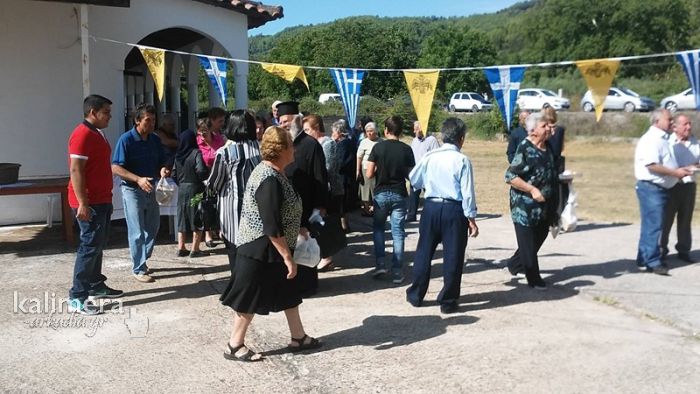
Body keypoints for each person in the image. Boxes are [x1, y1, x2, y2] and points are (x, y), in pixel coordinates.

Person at [220, 126, 322, 362]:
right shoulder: (269, 179)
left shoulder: (276, 173)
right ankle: (234, 345)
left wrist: (300, 227)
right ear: (283, 149)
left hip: (268, 246)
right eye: (290, 144)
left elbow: (284, 212)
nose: (294, 149)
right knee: (249, 297)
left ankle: (298, 337)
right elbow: (271, 225)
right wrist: (287, 257)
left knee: (288, 291)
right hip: (260, 248)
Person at [406, 118, 479, 314]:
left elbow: (414, 179)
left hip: (430, 207)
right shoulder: (462, 160)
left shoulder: (430, 156)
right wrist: (471, 218)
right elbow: (467, 192)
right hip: (453, 209)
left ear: (443, 136)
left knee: (424, 252)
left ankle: (416, 294)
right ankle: (448, 300)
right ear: (461, 139)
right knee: (453, 255)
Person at [67, 94, 123, 315]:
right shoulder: (81, 135)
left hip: (102, 199)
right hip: (89, 202)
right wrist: (82, 203)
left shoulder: (97, 133)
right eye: (106, 112)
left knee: (97, 245)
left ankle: (95, 285)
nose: (109, 116)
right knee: (89, 248)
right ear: (93, 112)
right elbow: (75, 170)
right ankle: (78, 296)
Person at [112, 103, 171, 283]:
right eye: (148, 120)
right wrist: (137, 179)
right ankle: (138, 268)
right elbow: (115, 167)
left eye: (154, 120)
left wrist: (164, 170)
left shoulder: (154, 140)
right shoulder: (126, 140)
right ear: (137, 120)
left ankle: (142, 259)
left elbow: (163, 161)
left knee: (153, 227)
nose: (152, 123)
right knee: (136, 230)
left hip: (151, 188)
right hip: (132, 190)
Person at [634, 109, 693, 275]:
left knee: (651, 226)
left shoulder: (662, 138)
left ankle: (644, 259)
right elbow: (652, 165)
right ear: (657, 121)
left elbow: (664, 162)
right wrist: (676, 173)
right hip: (652, 188)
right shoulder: (652, 139)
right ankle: (653, 261)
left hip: (659, 188)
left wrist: (680, 170)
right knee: (654, 226)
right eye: (669, 119)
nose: (672, 122)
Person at [504, 112, 559, 290]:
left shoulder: (548, 147)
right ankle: (534, 279)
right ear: (533, 131)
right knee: (528, 243)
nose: (548, 128)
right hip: (524, 207)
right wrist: (532, 189)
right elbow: (510, 176)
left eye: (548, 126)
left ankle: (514, 264)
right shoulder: (525, 148)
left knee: (540, 236)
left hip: (543, 206)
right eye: (544, 126)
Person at [280, 102, 329, 296]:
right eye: (281, 121)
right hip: (286, 206)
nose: (283, 124)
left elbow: (320, 178)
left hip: (305, 205)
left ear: (297, 121)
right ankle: (290, 283)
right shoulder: (284, 143)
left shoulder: (310, 144)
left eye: (287, 121)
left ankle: (308, 286)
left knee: (306, 246)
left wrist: (320, 206)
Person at [208, 110, 262, 273]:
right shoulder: (260, 151)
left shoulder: (225, 153)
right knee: (254, 255)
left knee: (235, 254)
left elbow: (214, 184)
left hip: (232, 213)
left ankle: (239, 290)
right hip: (257, 211)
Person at [366, 115, 415, 284]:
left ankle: (380, 264)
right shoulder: (406, 149)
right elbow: (411, 175)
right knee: (398, 232)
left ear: (385, 130)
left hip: (381, 193)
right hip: (399, 193)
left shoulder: (378, 148)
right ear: (400, 131)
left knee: (379, 229)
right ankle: (397, 271)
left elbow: (369, 173)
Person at [661, 114, 699, 263]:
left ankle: (684, 250)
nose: (689, 127)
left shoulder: (695, 142)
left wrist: (694, 167)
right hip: (671, 185)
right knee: (666, 219)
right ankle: (661, 250)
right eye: (685, 125)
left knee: (685, 219)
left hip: (689, 185)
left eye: (690, 124)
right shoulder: (666, 142)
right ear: (675, 127)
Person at [174, 128, 209, 258]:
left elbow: (173, 174)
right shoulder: (196, 153)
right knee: (197, 216)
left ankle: (181, 247)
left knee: (182, 217)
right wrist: (205, 176)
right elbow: (201, 170)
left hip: (182, 190)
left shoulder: (178, 156)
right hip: (196, 189)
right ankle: (195, 249)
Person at [317, 119, 346, 271]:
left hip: (331, 190)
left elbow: (327, 168)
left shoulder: (327, 144)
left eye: (308, 129)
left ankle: (327, 257)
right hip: (329, 189)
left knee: (327, 223)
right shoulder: (324, 143)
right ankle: (326, 256)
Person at [198, 110, 227, 247]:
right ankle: (207, 234)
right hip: (203, 178)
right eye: (200, 133)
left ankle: (220, 230)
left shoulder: (219, 140)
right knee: (206, 206)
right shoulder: (198, 143)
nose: (203, 135)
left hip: (219, 176)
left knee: (219, 205)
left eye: (205, 132)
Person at [408, 120, 440, 222]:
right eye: (414, 128)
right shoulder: (414, 140)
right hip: (416, 171)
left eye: (416, 129)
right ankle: (411, 215)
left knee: (429, 194)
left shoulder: (432, 140)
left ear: (423, 129)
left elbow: (436, 156)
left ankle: (428, 216)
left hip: (427, 172)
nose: (414, 131)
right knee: (413, 194)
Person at [356, 122, 382, 217]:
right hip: (366, 169)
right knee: (365, 190)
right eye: (367, 131)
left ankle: (376, 208)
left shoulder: (381, 142)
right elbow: (359, 156)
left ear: (376, 131)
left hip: (378, 170)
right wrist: (358, 170)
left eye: (371, 131)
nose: (369, 133)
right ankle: (366, 209)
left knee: (376, 190)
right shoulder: (363, 142)